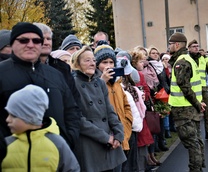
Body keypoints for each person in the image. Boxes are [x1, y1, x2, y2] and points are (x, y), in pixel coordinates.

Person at [0, 22, 81, 150]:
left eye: (36, 40)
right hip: (13, 160)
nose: (30, 45)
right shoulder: (2, 73)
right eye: (24, 40)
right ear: (12, 43)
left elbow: (71, 110)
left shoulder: (55, 74)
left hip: (55, 154)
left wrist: (68, 139)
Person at [70, 46, 126, 171]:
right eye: (87, 60)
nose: (92, 64)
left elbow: (109, 111)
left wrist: (118, 133)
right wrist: (105, 137)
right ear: (77, 64)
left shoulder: (100, 83)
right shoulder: (73, 84)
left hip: (110, 142)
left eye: (93, 60)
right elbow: (79, 119)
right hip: (89, 143)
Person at [1, 84, 80, 171]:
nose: (8, 119)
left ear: (30, 117)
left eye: (14, 116)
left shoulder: (57, 143)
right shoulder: (5, 144)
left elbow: (72, 169)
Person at [168, 32, 206, 172]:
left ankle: (195, 169)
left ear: (177, 45)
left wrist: (196, 103)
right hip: (190, 107)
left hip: (184, 108)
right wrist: (197, 103)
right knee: (196, 140)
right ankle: (199, 167)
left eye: (170, 44)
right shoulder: (188, 59)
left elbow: (185, 87)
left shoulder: (181, 62)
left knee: (191, 142)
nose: (169, 46)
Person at [94, 45, 133, 171]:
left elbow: (126, 105)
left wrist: (127, 123)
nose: (109, 65)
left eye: (111, 62)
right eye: (104, 62)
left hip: (120, 134)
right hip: (106, 138)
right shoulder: (94, 82)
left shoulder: (117, 83)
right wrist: (102, 81)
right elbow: (93, 104)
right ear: (97, 64)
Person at [188, 41, 208, 141]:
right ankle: (194, 135)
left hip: (203, 88)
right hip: (192, 89)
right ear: (189, 48)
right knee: (193, 113)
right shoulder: (187, 59)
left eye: (197, 46)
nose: (196, 48)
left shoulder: (203, 59)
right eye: (193, 46)